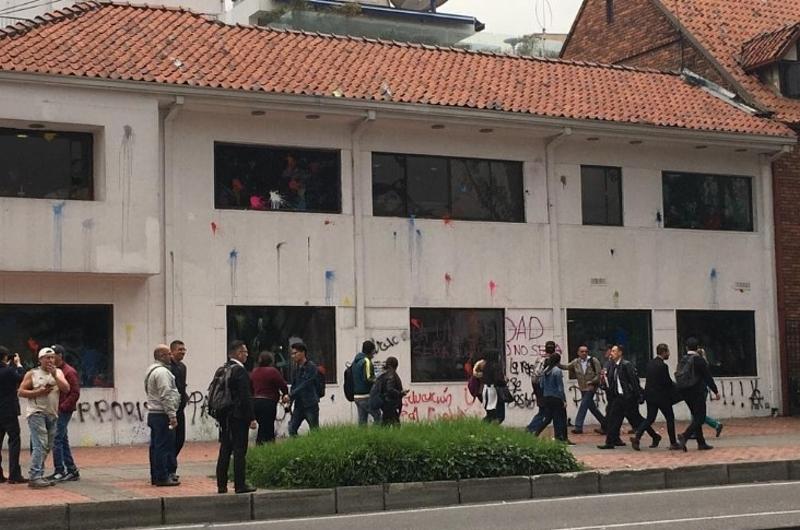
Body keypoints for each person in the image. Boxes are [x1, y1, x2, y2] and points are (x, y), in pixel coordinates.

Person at [17, 347, 70, 488]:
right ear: (40, 360)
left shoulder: (58, 372)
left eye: (52, 357)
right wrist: (38, 392)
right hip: (36, 413)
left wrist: (55, 375)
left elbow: (66, 389)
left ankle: (39, 473)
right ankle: (34, 476)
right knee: (40, 444)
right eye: (47, 358)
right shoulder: (32, 373)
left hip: (52, 414)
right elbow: (21, 392)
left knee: (47, 445)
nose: (50, 360)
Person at [598, 345, 660, 450]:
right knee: (613, 419)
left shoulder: (626, 365)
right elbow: (612, 382)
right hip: (618, 397)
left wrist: (639, 395)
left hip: (629, 398)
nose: (611, 353)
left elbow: (634, 381)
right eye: (611, 351)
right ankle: (610, 442)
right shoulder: (612, 366)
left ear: (620, 353)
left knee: (637, 420)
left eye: (614, 351)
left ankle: (655, 436)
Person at [216, 340, 257, 494]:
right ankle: (240, 485)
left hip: (224, 416)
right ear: (238, 353)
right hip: (238, 416)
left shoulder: (222, 369)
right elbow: (245, 396)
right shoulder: (239, 371)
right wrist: (251, 418)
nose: (247, 355)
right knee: (240, 450)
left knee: (225, 449)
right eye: (245, 352)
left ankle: (221, 485)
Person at [631, 344, 680, 451]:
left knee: (650, 418)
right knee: (670, 418)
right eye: (668, 352)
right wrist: (677, 387)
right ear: (664, 352)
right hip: (662, 397)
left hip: (650, 396)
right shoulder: (663, 366)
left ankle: (637, 436)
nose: (669, 354)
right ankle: (673, 442)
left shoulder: (650, 364)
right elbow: (667, 382)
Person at [144, 344, 180, 487]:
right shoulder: (162, 373)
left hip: (154, 414)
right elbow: (166, 394)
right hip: (162, 414)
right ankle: (162, 476)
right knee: (163, 446)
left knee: (156, 446)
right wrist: (172, 415)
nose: (171, 357)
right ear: (161, 356)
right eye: (168, 354)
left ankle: (156, 475)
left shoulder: (151, 370)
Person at [676, 338, 720, 451]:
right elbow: (707, 377)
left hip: (684, 392)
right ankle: (685, 436)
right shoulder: (699, 360)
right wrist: (715, 391)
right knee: (700, 417)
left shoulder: (682, 359)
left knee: (696, 416)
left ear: (686, 348)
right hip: (697, 392)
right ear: (698, 348)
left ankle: (701, 443)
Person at [49, 344, 80, 482]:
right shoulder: (55, 371)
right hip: (56, 409)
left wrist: (63, 406)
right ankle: (71, 469)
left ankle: (59, 470)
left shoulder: (69, 372)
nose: (50, 358)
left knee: (56, 439)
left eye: (52, 355)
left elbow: (75, 392)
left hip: (63, 410)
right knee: (62, 439)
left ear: (60, 355)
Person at [0, 347, 26, 484]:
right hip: (9, 411)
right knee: (14, 441)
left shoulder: (7, 370)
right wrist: (19, 364)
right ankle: (14, 474)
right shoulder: (9, 371)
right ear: (5, 357)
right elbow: (22, 377)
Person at [533, 354, 572, 444]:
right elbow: (560, 387)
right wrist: (564, 400)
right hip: (556, 398)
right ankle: (562, 437)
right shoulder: (557, 371)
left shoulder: (545, 370)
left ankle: (536, 432)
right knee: (561, 418)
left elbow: (541, 384)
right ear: (558, 361)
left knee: (548, 418)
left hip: (547, 397)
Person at [250, 351, 288, 444]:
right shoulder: (272, 371)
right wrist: (285, 394)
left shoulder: (254, 371)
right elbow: (282, 384)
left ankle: (262, 445)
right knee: (268, 427)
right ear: (271, 361)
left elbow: (250, 387)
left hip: (255, 402)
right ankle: (267, 446)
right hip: (268, 402)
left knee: (262, 426)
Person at [283, 343, 321, 436]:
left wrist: (291, 395)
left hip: (310, 404)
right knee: (292, 428)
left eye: (295, 353)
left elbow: (305, 384)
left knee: (315, 430)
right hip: (299, 405)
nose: (293, 356)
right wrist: (289, 401)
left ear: (303, 353)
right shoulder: (296, 369)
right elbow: (294, 385)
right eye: (292, 354)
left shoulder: (311, 367)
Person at [567, 345, 606, 435]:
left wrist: (592, 381)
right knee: (592, 407)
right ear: (578, 353)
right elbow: (566, 367)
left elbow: (599, 374)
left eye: (586, 351)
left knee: (583, 405)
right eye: (582, 351)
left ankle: (578, 426)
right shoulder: (576, 362)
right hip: (582, 388)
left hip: (591, 387)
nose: (584, 353)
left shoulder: (593, 360)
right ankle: (605, 423)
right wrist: (556, 363)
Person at [526, 341, 557, 433]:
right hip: (543, 388)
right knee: (545, 411)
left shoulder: (539, 358)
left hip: (537, 386)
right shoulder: (551, 360)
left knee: (544, 410)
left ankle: (533, 428)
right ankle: (531, 428)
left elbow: (534, 375)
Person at [169, 339, 188, 479]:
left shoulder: (182, 367)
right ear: (172, 351)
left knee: (180, 439)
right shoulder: (168, 367)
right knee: (170, 439)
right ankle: (170, 469)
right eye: (179, 349)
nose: (182, 352)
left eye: (183, 349)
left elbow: (182, 386)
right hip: (171, 409)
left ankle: (171, 465)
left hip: (180, 407)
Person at [352, 341, 381, 425]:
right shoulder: (366, 361)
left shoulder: (356, 361)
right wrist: (378, 380)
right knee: (377, 415)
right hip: (366, 396)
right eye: (373, 352)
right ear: (371, 351)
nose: (373, 355)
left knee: (362, 421)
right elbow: (368, 378)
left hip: (357, 396)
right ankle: (377, 436)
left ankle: (362, 437)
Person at [372, 356, 406, 426]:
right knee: (396, 424)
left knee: (386, 423)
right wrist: (400, 393)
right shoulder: (392, 375)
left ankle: (382, 435)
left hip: (385, 402)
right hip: (390, 403)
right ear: (395, 365)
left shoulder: (384, 374)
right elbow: (390, 389)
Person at [698, 348, 724, 438]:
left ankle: (716, 424)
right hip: (702, 390)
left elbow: (708, 379)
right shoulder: (704, 364)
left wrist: (715, 391)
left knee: (697, 413)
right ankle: (695, 430)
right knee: (698, 412)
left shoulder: (700, 365)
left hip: (699, 390)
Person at [480, 353, 508, 424]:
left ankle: (483, 426)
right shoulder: (495, 366)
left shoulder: (485, 366)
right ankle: (492, 428)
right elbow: (498, 379)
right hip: (494, 391)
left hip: (486, 391)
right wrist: (504, 382)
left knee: (490, 414)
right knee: (499, 415)